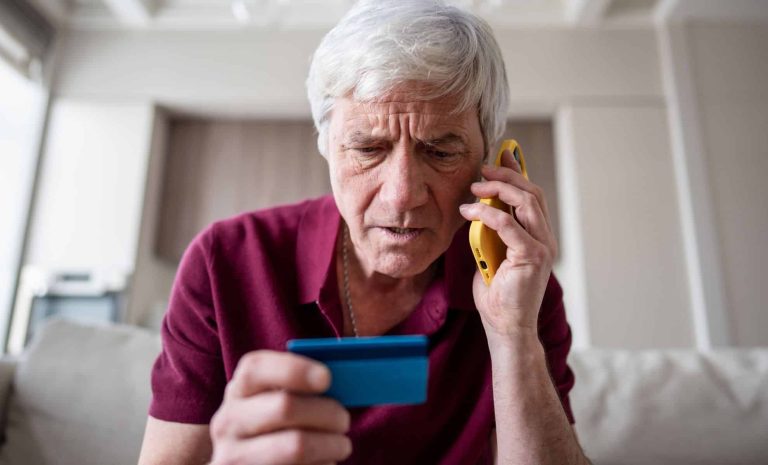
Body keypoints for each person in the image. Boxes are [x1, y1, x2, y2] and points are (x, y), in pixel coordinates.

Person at [138, 0, 590, 464]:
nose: (402, 196)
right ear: (326, 145)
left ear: (489, 162)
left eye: (440, 152)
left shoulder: (520, 283)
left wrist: (514, 334)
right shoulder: (224, 261)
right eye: (368, 149)